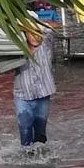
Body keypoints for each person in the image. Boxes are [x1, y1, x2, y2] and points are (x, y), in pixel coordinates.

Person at [14, 21, 56, 152]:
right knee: (25, 128)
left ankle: (41, 154)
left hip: (43, 94)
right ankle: (26, 154)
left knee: (40, 131)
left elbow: (50, 29)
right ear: (25, 35)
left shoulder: (46, 46)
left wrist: (32, 22)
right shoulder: (16, 48)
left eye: (37, 33)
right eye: (31, 33)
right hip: (22, 95)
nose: (35, 37)